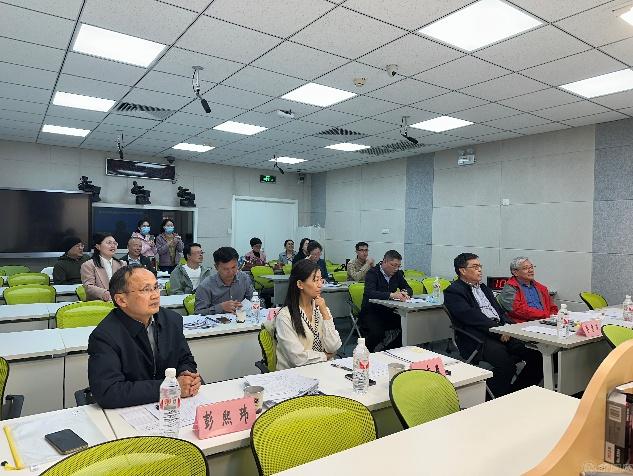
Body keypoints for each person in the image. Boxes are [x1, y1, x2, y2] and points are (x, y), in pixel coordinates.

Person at [88, 265, 201, 408]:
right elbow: (108, 392)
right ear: (121, 300)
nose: (155, 295)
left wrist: (186, 375)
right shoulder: (105, 336)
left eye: (156, 287)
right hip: (130, 411)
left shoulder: (172, 320)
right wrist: (170, 388)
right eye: (146, 290)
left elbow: (185, 359)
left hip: (172, 406)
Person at [444, 253, 543, 397]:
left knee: (537, 357)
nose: (480, 270)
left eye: (480, 266)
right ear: (462, 270)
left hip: (500, 331)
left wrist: (511, 327)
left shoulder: (483, 287)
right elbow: (472, 317)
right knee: (506, 364)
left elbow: (499, 312)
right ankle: (488, 399)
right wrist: (497, 330)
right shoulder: (454, 291)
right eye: (475, 267)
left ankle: (515, 394)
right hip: (477, 337)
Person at [274, 259, 342, 369]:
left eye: (321, 280)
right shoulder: (285, 316)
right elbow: (298, 359)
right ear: (300, 284)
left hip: (322, 369)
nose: (320, 285)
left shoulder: (321, 308)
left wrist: (325, 313)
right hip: (295, 374)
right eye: (315, 280)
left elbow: (333, 347)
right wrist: (325, 356)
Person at [359, 250, 412, 352]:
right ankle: (364, 352)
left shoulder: (397, 274)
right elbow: (370, 293)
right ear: (384, 261)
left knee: (408, 326)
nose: (396, 269)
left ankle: (388, 350)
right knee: (377, 333)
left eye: (398, 266)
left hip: (388, 311)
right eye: (393, 265)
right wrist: (392, 295)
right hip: (371, 312)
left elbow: (408, 288)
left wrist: (405, 292)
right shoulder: (372, 273)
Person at [195, 247, 254, 315]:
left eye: (234, 267)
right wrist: (220, 308)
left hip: (241, 319)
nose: (231, 272)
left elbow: (254, 299)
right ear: (216, 267)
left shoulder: (244, 278)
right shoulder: (206, 286)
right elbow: (198, 313)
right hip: (217, 321)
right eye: (226, 269)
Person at [498, 257, 558, 323]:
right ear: (515, 272)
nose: (531, 270)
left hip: (545, 321)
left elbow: (553, 307)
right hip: (522, 324)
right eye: (526, 268)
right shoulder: (510, 289)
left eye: (531, 267)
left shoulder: (542, 288)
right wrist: (546, 315)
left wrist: (552, 317)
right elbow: (518, 310)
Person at [80, 233, 125, 301]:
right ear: (98, 247)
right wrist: (104, 293)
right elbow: (88, 286)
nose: (113, 245)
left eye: (115, 243)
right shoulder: (88, 265)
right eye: (109, 243)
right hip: (99, 303)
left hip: (120, 301)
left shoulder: (122, 264)